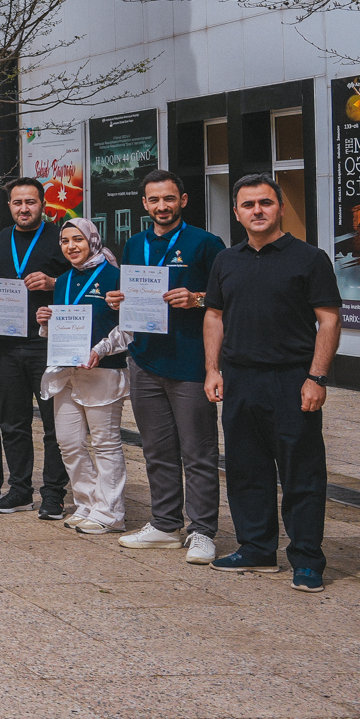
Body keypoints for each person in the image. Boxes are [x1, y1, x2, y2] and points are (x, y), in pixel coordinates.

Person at [204, 174, 342, 591]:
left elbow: (329, 319)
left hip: (292, 379)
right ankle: (257, 548)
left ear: (280, 207)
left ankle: (306, 559)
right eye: (249, 205)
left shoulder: (309, 258)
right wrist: (212, 370)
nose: (257, 211)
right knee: (246, 469)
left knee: (301, 472)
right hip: (240, 379)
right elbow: (214, 316)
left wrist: (316, 377)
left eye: (265, 202)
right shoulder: (227, 260)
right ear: (237, 213)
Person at [109, 171, 225, 563]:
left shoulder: (206, 243)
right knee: (157, 449)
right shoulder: (134, 244)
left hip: (191, 362)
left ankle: (203, 531)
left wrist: (197, 299)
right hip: (145, 360)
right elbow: (132, 297)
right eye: (155, 200)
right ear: (144, 204)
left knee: (198, 452)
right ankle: (164, 524)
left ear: (184, 200)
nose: (162, 206)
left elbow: (226, 300)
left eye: (169, 198)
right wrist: (118, 300)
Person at [0, 177, 70, 517]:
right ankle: (19, 489)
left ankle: (54, 493)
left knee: (53, 424)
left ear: (43, 204)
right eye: (17, 203)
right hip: (4, 345)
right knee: (12, 422)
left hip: (46, 344)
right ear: (10, 206)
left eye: (30, 202)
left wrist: (53, 282)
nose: (24, 208)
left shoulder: (61, 239)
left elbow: (85, 280)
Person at [37, 217, 132, 535]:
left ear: (92, 239)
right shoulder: (63, 280)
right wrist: (46, 320)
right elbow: (64, 326)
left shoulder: (116, 276)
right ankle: (88, 502)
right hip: (67, 371)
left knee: (105, 443)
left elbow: (129, 326)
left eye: (77, 239)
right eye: (64, 241)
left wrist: (101, 350)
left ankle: (112, 511)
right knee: (69, 442)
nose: (71, 246)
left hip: (103, 370)